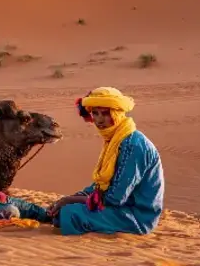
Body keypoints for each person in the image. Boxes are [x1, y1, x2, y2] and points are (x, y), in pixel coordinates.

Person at [48, 87, 164, 235]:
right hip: (120, 210)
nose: (99, 120)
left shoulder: (133, 145)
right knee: (60, 212)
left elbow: (115, 198)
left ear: (117, 114)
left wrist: (71, 200)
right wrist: (67, 199)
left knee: (70, 214)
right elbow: (100, 187)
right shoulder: (115, 140)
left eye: (105, 113)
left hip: (136, 217)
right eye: (95, 113)